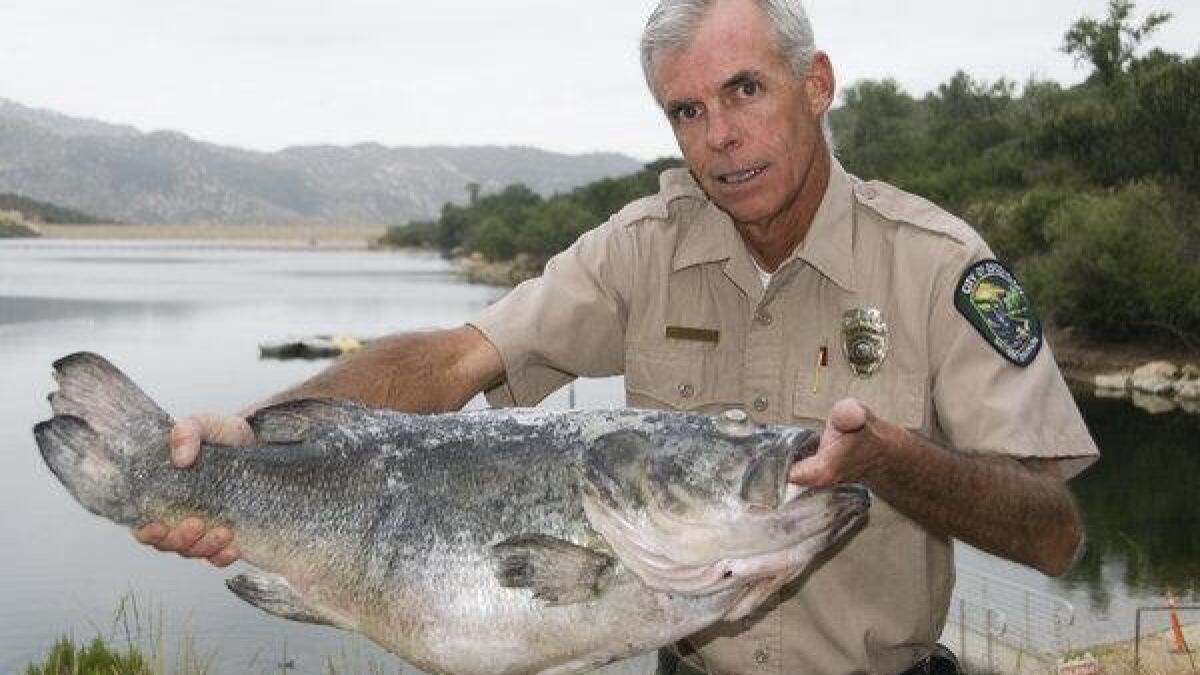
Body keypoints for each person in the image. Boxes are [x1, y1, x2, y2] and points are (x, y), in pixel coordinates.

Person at [135, 0, 1099, 673]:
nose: (718, 134)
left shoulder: (938, 264)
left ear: (817, 84)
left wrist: (891, 461)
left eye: (745, 90)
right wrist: (248, 442)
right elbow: (456, 359)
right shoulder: (643, 246)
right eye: (688, 110)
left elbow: (1055, 533)